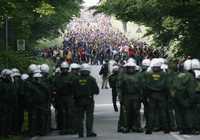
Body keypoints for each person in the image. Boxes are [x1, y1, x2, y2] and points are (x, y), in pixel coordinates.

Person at [144, 58, 170, 134]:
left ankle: (149, 129)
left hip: (152, 95)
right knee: (163, 112)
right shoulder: (164, 74)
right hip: (162, 95)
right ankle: (166, 129)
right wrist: (167, 95)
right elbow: (167, 86)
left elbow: (146, 85)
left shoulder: (149, 74)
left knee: (151, 112)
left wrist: (146, 96)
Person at [74, 63, 99, 138]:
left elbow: (73, 90)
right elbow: (96, 91)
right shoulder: (91, 79)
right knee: (89, 116)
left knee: (79, 117)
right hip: (89, 100)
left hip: (79, 100)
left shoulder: (76, 79)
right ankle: (89, 132)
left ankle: (80, 133)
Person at [119, 61, 143, 133]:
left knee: (136, 112)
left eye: (132, 68)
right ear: (127, 68)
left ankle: (137, 126)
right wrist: (120, 97)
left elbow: (141, 87)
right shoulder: (123, 75)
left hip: (136, 96)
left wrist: (141, 96)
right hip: (127, 96)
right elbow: (120, 87)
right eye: (129, 68)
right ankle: (127, 127)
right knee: (127, 112)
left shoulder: (138, 75)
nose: (131, 69)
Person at [54, 61, 76, 134]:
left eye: (66, 69)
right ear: (61, 69)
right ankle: (63, 129)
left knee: (70, 113)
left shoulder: (72, 76)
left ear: (68, 68)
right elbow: (56, 87)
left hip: (70, 96)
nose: (64, 70)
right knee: (62, 113)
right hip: (61, 97)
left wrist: (70, 84)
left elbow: (76, 86)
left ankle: (71, 128)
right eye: (63, 69)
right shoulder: (58, 77)